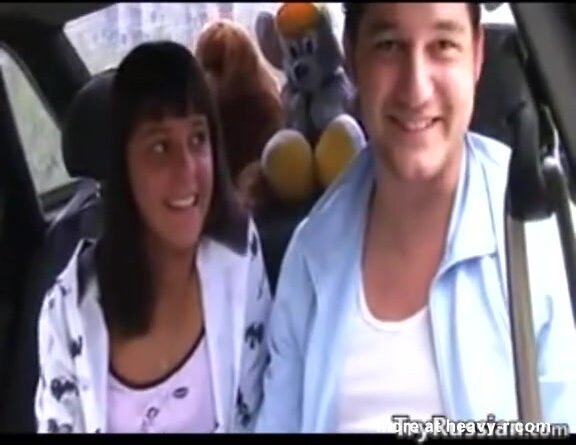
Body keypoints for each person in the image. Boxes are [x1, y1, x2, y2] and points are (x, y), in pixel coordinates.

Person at [255, 3, 576, 433]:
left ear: (477, 55)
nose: (416, 89)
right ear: (352, 58)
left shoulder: (537, 230)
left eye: (443, 45)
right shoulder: (309, 255)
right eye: (389, 45)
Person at [34, 41, 272, 433]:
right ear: (123, 165)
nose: (187, 170)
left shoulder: (237, 252)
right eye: (160, 147)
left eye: (197, 139)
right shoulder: (67, 310)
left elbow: (265, 412)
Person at [195, 19, 284, 213]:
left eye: (217, 67)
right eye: (204, 68)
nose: (209, 78)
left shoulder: (267, 110)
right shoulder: (203, 120)